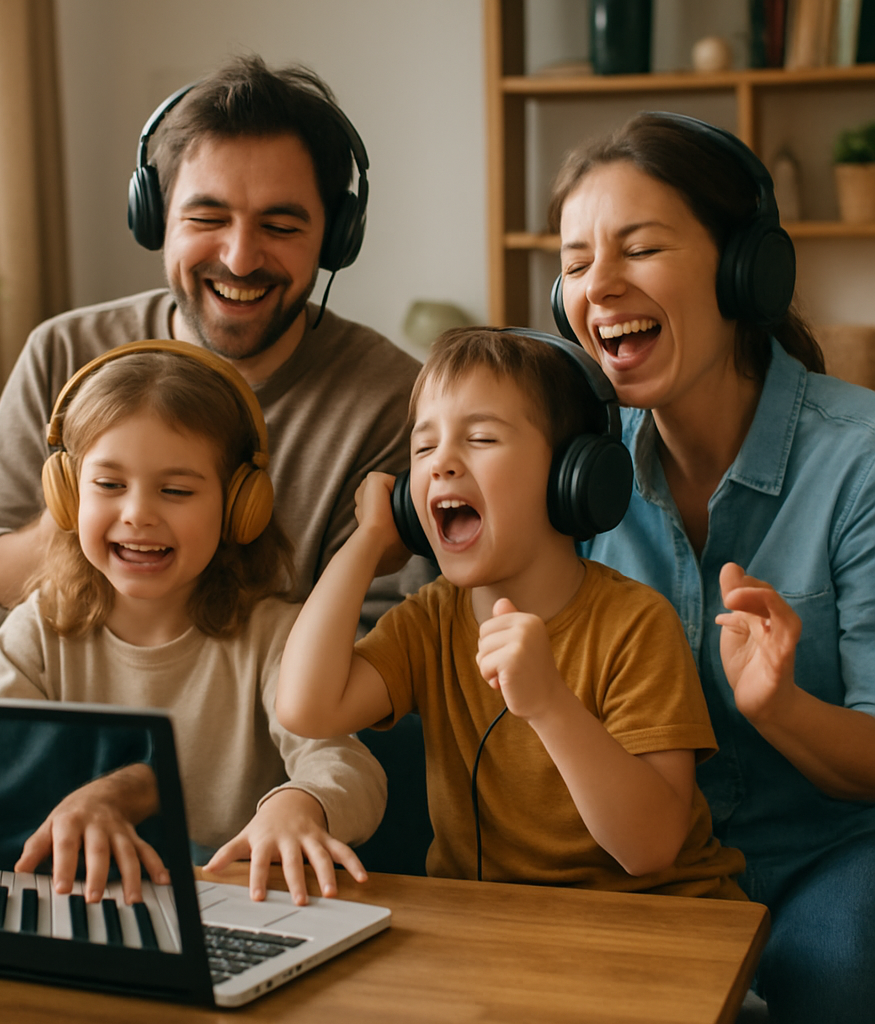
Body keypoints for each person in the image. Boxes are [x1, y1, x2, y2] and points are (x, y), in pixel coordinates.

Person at [547, 111, 875, 1023]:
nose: (599, 285)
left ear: (744, 269)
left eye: (639, 249)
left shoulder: (862, 459)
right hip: (645, 858)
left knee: (837, 969)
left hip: (832, 853)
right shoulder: (570, 470)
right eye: (574, 265)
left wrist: (782, 709)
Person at [0, 53, 424, 640]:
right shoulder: (64, 352)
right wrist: (87, 509)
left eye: (281, 226)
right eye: (207, 217)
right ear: (156, 219)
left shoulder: (394, 400)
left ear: (335, 239)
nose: (240, 258)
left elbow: (380, 650)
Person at [275, 327, 746, 898]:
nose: (441, 463)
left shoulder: (637, 624)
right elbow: (305, 708)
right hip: (504, 933)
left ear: (569, 477)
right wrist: (369, 540)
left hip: (656, 923)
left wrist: (549, 703)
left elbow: (650, 848)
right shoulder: (429, 622)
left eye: (480, 438)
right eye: (423, 448)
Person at [0, 342, 386, 908]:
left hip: (232, 907)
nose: (137, 512)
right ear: (66, 496)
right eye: (109, 485)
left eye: (176, 490)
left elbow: (349, 766)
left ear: (241, 505)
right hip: (71, 902)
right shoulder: (37, 630)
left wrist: (301, 803)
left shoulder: (277, 636)